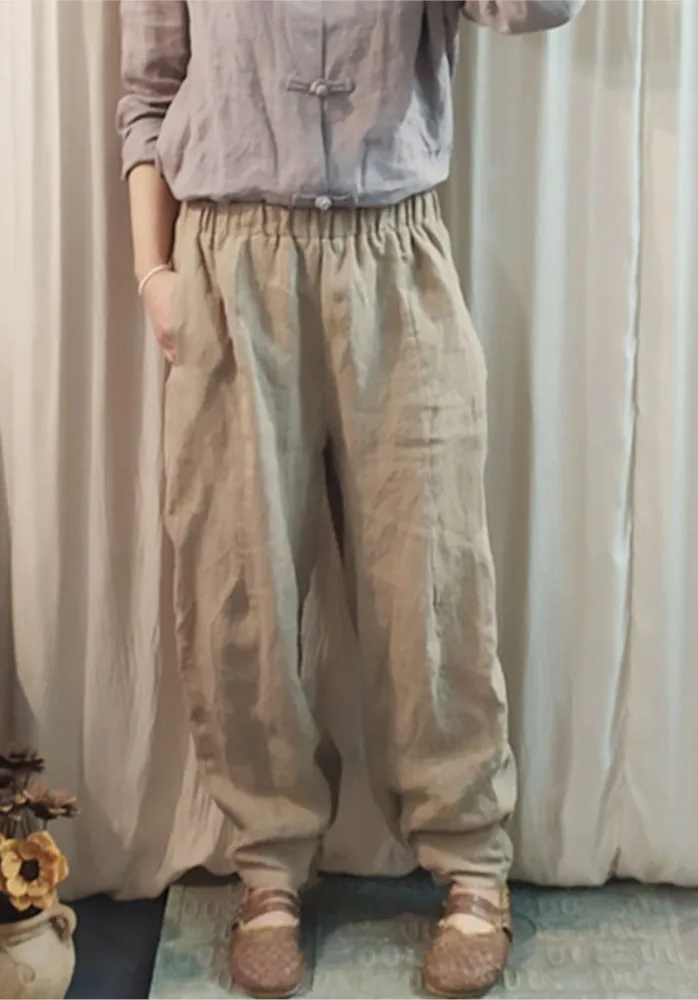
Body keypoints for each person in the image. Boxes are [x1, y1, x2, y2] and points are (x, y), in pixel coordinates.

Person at [118, 1, 581, 996]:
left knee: (432, 578)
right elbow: (149, 95)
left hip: (393, 255)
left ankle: (470, 861)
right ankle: (269, 866)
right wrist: (155, 275)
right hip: (227, 265)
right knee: (237, 578)